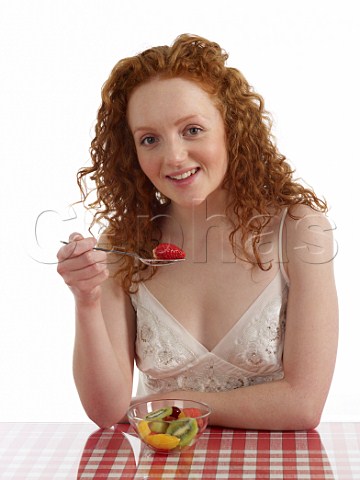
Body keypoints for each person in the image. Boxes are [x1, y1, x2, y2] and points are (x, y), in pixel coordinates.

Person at [57, 34, 338, 430]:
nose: (173, 157)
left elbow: (303, 405)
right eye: (150, 139)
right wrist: (85, 300)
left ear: (232, 129)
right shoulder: (124, 244)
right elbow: (106, 411)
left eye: (192, 130)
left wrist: (171, 401)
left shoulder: (298, 231)